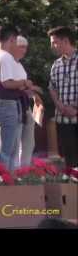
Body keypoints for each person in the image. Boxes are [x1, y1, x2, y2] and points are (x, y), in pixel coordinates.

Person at [0, 25, 34, 171]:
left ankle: (9, 179)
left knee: (12, 148)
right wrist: (24, 83)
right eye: (15, 42)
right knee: (7, 148)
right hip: (6, 104)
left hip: (10, 104)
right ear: (11, 39)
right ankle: (1, 180)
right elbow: (7, 83)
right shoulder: (5, 57)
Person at [48, 26, 78, 167]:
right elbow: (52, 87)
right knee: (69, 158)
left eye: (54, 42)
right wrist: (59, 104)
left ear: (66, 41)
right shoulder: (56, 65)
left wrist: (75, 108)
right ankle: (72, 186)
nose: (52, 46)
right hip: (63, 120)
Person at [12, 35, 43, 168]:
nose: (24, 50)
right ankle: (16, 170)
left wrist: (34, 94)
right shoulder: (8, 62)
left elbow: (24, 87)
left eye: (25, 47)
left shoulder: (19, 65)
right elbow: (11, 86)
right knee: (15, 143)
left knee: (29, 143)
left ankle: (24, 170)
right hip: (14, 107)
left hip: (25, 106)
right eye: (21, 47)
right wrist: (30, 88)